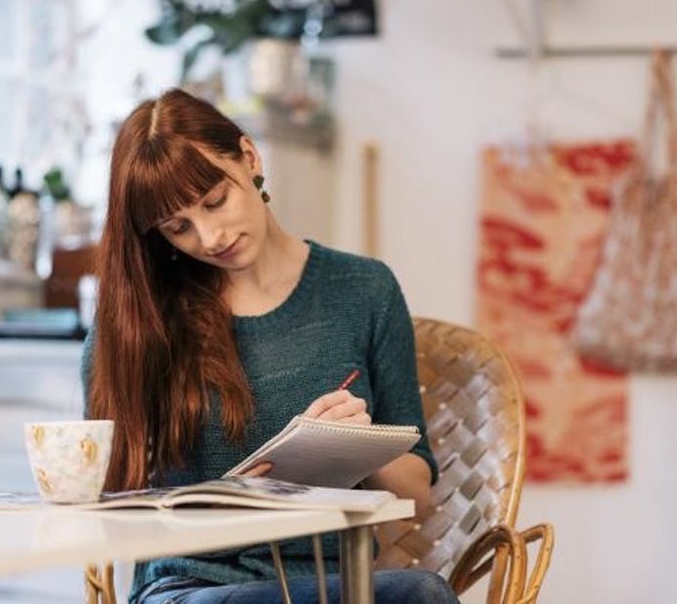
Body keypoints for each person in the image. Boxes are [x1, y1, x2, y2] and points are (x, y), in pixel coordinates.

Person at [82, 88, 457, 604]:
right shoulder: (140, 322)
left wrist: (357, 443)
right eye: (178, 227)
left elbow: (417, 494)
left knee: (423, 593)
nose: (210, 236)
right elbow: (101, 504)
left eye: (216, 201)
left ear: (251, 158)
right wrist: (218, 505)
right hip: (192, 587)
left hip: (333, 579)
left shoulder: (364, 289)